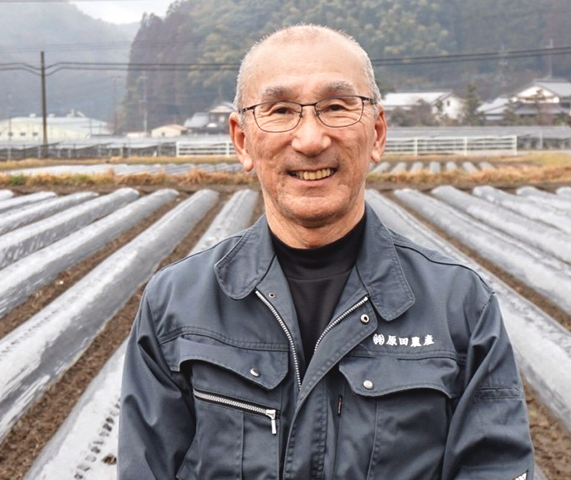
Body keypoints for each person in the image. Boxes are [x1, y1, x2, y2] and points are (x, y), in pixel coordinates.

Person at [118, 24, 535, 480]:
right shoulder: (175, 305)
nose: (311, 140)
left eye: (336, 107)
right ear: (242, 140)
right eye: (280, 110)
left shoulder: (459, 306)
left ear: (377, 133)